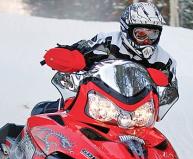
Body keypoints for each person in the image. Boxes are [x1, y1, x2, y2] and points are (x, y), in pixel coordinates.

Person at [35, 2, 178, 115]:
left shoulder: (164, 60)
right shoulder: (107, 42)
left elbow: (170, 88)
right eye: (140, 34)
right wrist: (71, 58)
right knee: (52, 114)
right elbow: (82, 50)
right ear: (126, 29)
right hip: (95, 102)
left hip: (135, 113)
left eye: (153, 34)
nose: (147, 40)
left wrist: (163, 82)